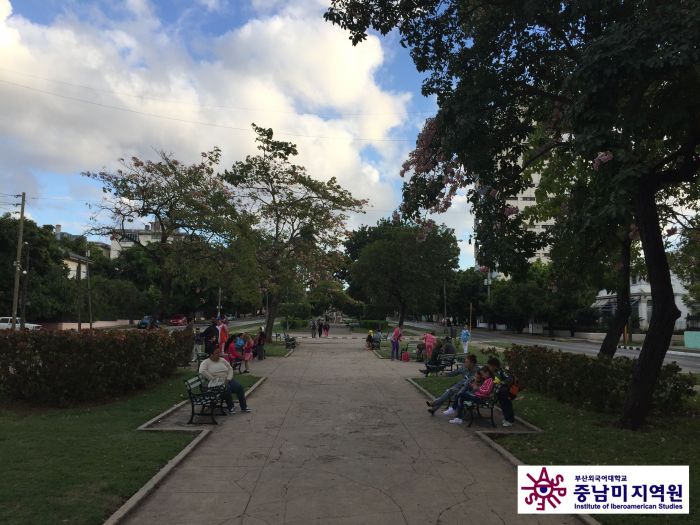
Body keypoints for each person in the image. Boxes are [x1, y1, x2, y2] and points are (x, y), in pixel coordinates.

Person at [198, 347, 251, 414]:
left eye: (219, 352)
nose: (219, 354)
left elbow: (230, 369)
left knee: (239, 387)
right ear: (211, 354)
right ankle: (231, 407)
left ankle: (244, 407)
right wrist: (213, 379)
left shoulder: (222, 360)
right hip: (217, 383)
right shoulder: (205, 362)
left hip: (228, 380)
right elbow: (202, 371)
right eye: (217, 353)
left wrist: (228, 378)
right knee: (227, 388)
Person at [487, 356, 516, 427]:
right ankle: (507, 418)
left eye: (490, 366)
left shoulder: (500, 372)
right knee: (503, 405)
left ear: (494, 366)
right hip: (501, 392)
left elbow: (509, 379)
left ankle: (510, 420)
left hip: (508, 391)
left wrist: (502, 383)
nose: (489, 368)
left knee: (507, 405)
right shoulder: (495, 372)